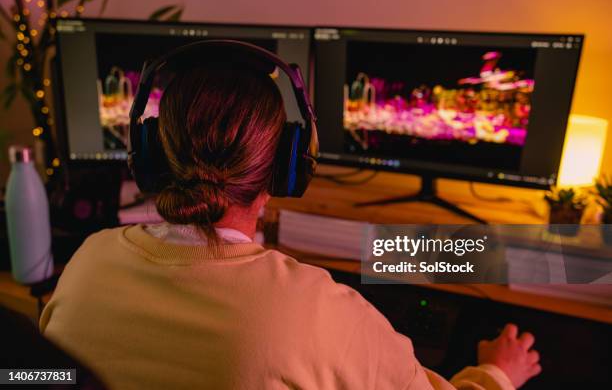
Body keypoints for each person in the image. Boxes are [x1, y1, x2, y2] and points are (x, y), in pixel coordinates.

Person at [40, 60, 541, 389]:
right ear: (288, 167)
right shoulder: (317, 310)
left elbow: (36, 375)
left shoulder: (88, 262)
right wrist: (498, 371)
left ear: (149, 156)